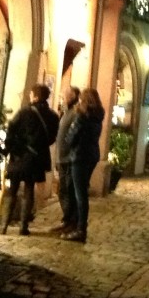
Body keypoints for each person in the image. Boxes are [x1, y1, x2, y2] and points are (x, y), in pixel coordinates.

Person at [1, 84, 59, 235]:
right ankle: (23, 227)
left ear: (36, 96)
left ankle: (3, 226)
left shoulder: (24, 112)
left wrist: (9, 148)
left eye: (31, 93)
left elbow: (11, 129)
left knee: (12, 190)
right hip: (37, 158)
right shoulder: (53, 116)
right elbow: (52, 138)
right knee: (29, 189)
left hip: (20, 156)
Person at [61, 87, 104, 243]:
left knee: (79, 194)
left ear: (84, 100)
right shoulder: (98, 116)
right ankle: (76, 224)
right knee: (81, 190)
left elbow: (71, 138)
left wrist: (67, 140)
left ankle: (80, 228)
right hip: (92, 155)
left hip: (80, 156)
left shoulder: (81, 116)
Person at [50, 84, 81, 234]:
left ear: (73, 97)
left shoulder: (75, 113)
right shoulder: (66, 112)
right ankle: (67, 220)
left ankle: (71, 221)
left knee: (68, 191)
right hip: (62, 159)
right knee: (63, 190)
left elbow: (74, 137)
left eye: (65, 95)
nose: (62, 97)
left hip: (69, 159)